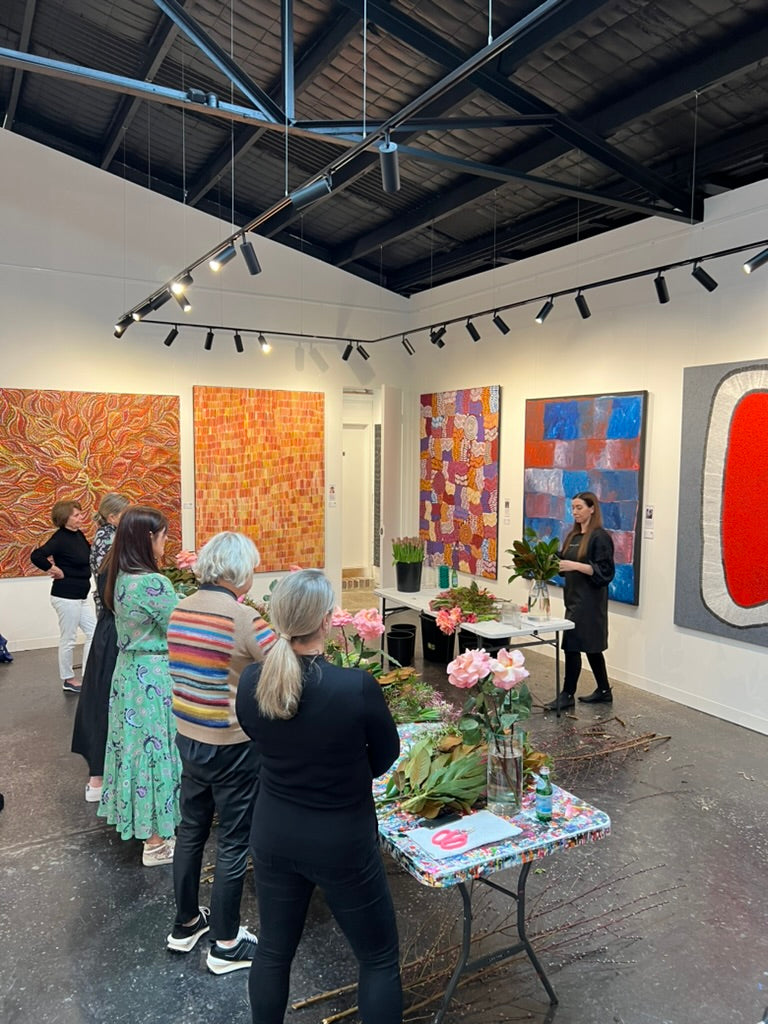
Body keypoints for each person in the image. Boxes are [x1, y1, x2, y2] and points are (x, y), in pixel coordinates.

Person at [236, 569, 402, 1024]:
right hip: (341, 840)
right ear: (328, 621)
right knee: (379, 959)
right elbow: (387, 755)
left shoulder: (252, 682)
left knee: (273, 949)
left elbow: (258, 737)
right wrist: (343, 778)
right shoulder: (354, 687)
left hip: (272, 834)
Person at [165, 532, 276, 974]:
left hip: (188, 736)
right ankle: (226, 943)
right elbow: (286, 667)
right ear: (240, 572)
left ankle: (186, 923)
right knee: (233, 841)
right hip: (231, 745)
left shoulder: (180, 608)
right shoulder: (244, 618)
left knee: (191, 831)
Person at [97, 505, 181, 866]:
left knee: (133, 750)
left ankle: (146, 828)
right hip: (152, 677)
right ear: (149, 539)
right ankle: (157, 841)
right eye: (163, 535)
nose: (167, 542)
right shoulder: (152, 583)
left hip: (129, 673)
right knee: (154, 749)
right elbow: (180, 624)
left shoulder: (121, 577)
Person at [71, 494, 131, 802]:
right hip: (113, 628)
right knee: (105, 695)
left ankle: (99, 776)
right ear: (112, 517)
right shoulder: (112, 546)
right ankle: (100, 776)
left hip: (108, 626)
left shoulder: (107, 540)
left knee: (100, 694)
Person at [546, 491, 616, 711]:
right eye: (573, 508)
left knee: (572, 645)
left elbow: (605, 572)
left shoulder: (599, 537)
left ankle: (567, 694)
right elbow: (566, 568)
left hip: (590, 603)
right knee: (592, 648)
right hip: (573, 599)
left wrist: (574, 565)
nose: (575, 512)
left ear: (592, 508)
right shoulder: (573, 537)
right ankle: (604, 690)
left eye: (579, 508)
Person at [30, 499, 96, 693]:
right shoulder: (60, 538)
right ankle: (67, 679)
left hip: (81, 596)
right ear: (64, 518)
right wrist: (53, 568)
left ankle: (88, 674)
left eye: (80, 513)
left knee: (94, 632)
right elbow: (37, 555)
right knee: (69, 638)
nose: (80, 517)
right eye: (76, 515)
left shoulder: (79, 535)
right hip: (66, 596)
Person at [90, 493, 131, 615]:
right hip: (112, 604)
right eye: (126, 514)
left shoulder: (108, 534)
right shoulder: (108, 538)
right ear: (112, 517)